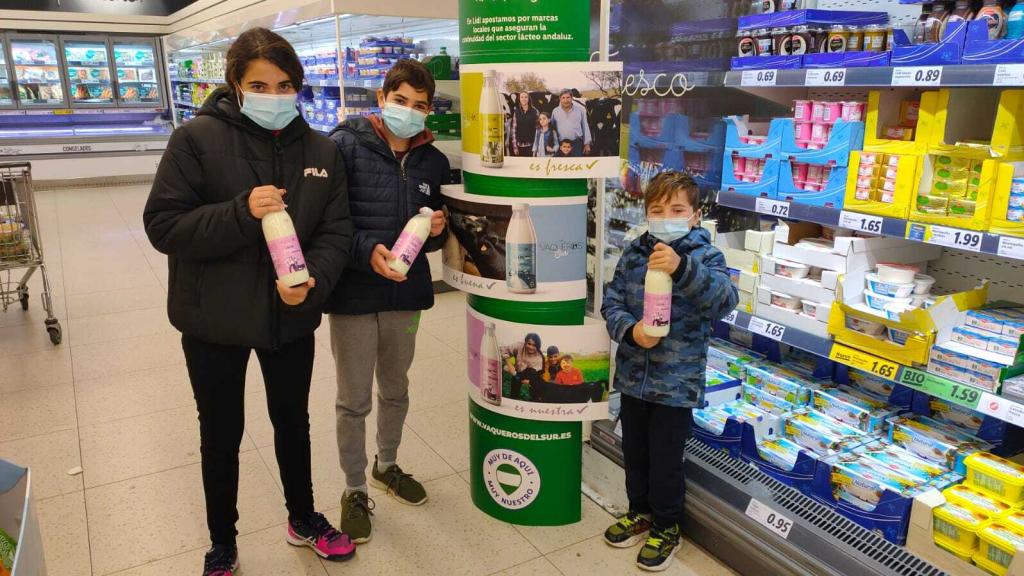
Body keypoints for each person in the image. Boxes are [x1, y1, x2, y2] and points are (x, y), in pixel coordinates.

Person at [143, 27, 355, 576]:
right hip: (213, 317)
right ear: (236, 83)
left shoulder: (322, 150)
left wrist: (312, 282)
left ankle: (303, 517)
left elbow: (336, 232)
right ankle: (222, 541)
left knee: (292, 422)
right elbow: (164, 226)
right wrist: (242, 212)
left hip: (290, 316)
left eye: (286, 85)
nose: (275, 95)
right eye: (260, 84)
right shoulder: (195, 139)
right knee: (220, 432)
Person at [326, 58, 449, 545]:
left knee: (395, 388)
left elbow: (435, 237)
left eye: (420, 105)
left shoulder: (433, 162)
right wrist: (364, 252)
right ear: (382, 98)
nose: (410, 111)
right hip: (354, 293)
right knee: (352, 399)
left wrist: (436, 232)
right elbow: (328, 225)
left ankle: (388, 464)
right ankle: (354, 488)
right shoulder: (342, 148)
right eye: (401, 101)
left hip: (406, 293)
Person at [600, 171, 737, 572]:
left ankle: (666, 525)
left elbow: (724, 301)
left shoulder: (706, 258)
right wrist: (630, 331)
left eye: (677, 209)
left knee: (665, 459)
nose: (666, 217)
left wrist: (682, 269)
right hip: (631, 377)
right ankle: (638, 510)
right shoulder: (633, 253)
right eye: (657, 210)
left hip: (676, 383)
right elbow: (612, 304)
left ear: (695, 215)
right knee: (635, 452)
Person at [502, 333, 545, 401]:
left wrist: (528, 381)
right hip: (517, 372)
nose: (531, 347)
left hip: (530, 377)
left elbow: (536, 375)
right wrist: (509, 364)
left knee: (535, 395)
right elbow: (504, 350)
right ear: (525, 342)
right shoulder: (519, 346)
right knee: (515, 385)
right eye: (529, 343)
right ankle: (514, 399)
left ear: (538, 346)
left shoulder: (539, 358)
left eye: (534, 345)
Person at [551, 88, 592, 157]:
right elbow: (552, 128)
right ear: (560, 99)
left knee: (577, 165)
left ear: (572, 98)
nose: (566, 100)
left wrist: (587, 144)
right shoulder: (555, 111)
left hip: (576, 143)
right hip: (561, 144)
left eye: (568, 97)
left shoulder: (580, 110)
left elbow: (585, 126)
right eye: (563, 98)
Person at [509, 91, 538, 157]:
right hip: (519, 146)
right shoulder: (516, 112)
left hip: (531, 146)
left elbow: (537, 130)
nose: (524, 99)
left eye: (526, 97)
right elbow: (513, 130)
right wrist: (515, 147)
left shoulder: (535, 111)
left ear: (528, 99)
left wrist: (536, 147)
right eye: (522, 97)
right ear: (519, 99)